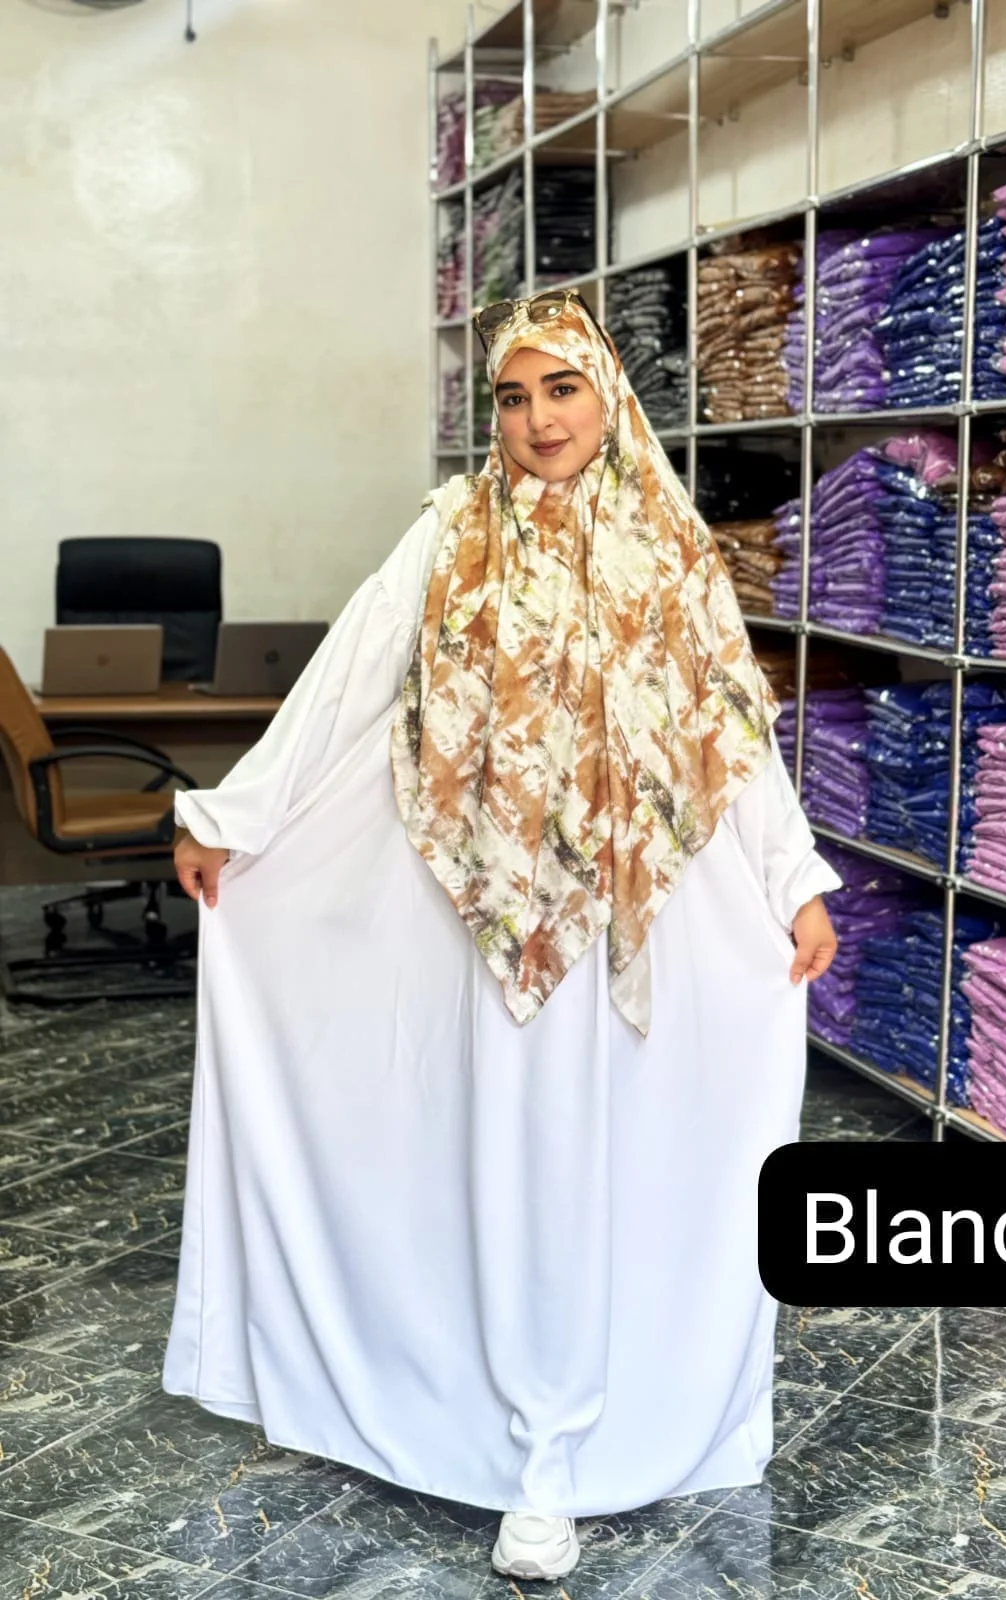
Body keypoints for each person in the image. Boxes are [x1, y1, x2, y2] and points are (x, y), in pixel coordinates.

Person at [166, 288, 840, 1583]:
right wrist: (235, 819)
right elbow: (350, 678)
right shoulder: (451, 531)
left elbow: (732, 736)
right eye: (514, 396)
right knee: (495, 1151)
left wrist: (792, 878)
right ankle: (509, 1431)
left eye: (562, 388)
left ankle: (597, 1424)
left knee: (620, 1155)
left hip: (640, 908)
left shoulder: (672, 547)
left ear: (607, 396)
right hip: (486, 910)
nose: (538, 419)